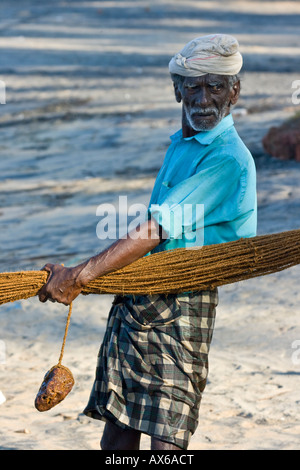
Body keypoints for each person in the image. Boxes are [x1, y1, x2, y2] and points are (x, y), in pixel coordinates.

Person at [38, 34, 257, 450]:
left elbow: (157, 229)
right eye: (193, 86)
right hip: (139, 296)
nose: (204, 98)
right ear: (177, 90)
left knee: (166, 435)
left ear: (235, 91)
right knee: (118, 430)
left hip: (182, 303)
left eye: (216, 87)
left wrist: (79, 277)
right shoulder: (182, 145)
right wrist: (77, 274)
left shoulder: (227, 156)